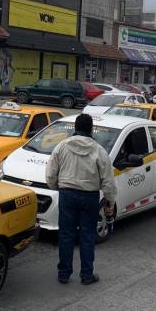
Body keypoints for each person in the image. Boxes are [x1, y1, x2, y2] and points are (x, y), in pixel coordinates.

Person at [46, 113, 116, 285]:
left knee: (66, 235)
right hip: (89, 196)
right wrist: (110, 202)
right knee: (87, 236)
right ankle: (86, 275)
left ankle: (64, 274)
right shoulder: (99, 150)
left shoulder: (61, 146)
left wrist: (59, 187)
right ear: (91, 129)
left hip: (67, 194)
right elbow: (108, 181)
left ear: (75, 127)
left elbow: (50, 175)